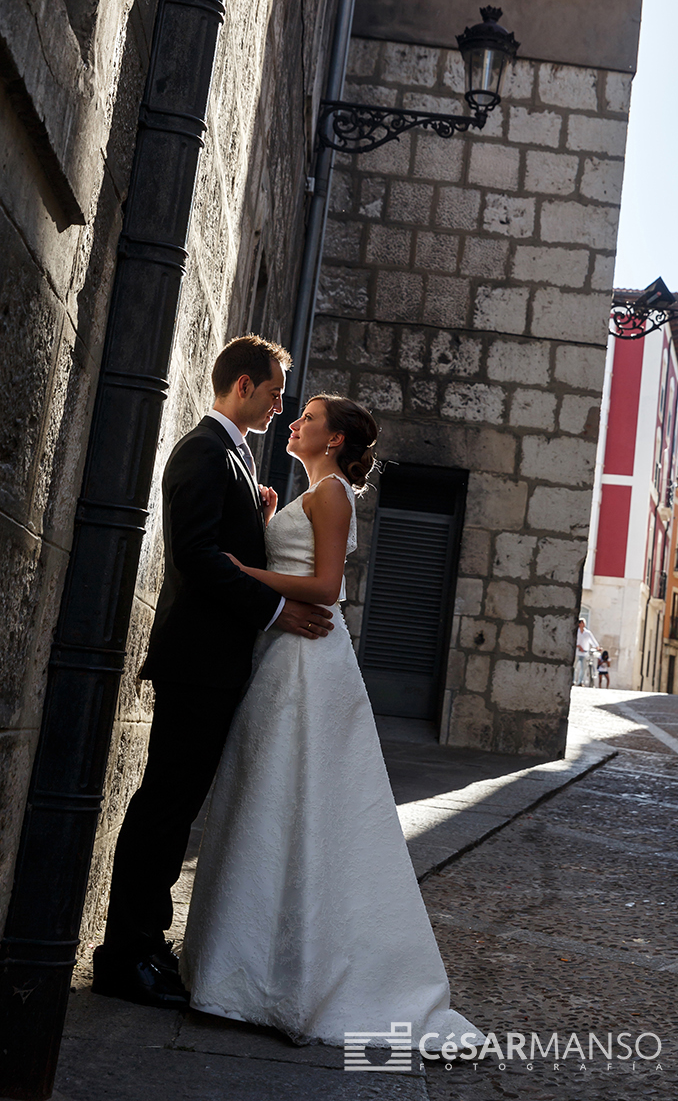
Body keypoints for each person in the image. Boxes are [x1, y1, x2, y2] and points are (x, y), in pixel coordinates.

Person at [181, 394, 481, 1051]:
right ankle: (245, 967)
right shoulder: (315, 489)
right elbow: (297, 564)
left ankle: (278, 974)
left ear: (337, 439)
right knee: (267, 797)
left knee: (294, 799)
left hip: (308, 658)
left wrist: (240, 568)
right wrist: (264, 524)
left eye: (310, 418)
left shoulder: (334, 493)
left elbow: (325, 588)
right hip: (284, 652)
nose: (296, 423)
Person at [93, 336, 334, 1009]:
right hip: (196, 662)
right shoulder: (203, 449)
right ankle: (124, 954)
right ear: (243, 387)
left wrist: (254, 520)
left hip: (213, 664)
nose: (280, 403)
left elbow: (221, 545)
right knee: (162, 808)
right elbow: (196, 556)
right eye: (275, 391)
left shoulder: (232, 452)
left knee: (173, 810)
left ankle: (145, 941)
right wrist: (278, 610)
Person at [574, 617, 601, 685]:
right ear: (579, 624)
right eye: (582, 622)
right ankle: (573, 681)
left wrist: (597, 647)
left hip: (584, 653)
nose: (584, 624)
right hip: (577, 652)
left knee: (584, 668)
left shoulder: (587, 633)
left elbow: (592, 640)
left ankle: (580, 681)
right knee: (574, 667)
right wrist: (579, 646)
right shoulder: (576, 632)